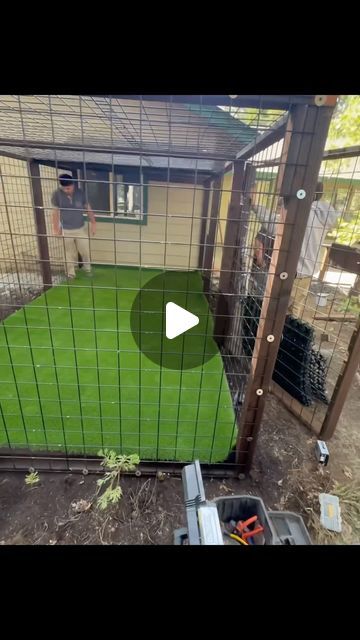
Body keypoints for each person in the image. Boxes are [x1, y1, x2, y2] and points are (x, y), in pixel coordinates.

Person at [252, 182, 339, 319]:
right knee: (294, 311)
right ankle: (289, 338)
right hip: (308, 273)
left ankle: (270, 338)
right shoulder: (322, 215)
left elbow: (275, 228)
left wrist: (255, 204)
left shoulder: (302, 213)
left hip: (290, 273)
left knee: (273, 312)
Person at [52, 174, 96, 279]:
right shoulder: (56, 194)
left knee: (85, 250)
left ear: (73, 184)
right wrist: (56, 228)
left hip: (80, 228)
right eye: (65, 188)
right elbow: (55, 212)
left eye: (69, 188)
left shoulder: (80, 193)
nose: (67, 190)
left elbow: (88, 208)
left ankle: (88, 269)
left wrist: (93, 223)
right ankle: (71, 274)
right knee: (68, 253)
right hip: (66, 230)